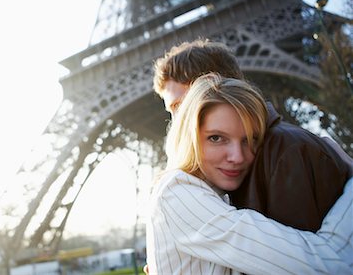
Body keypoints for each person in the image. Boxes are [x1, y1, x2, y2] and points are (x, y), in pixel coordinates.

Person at [146, 74, 353, 274]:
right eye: (216, 138)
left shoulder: (212, 194)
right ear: (189, 137)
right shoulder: (178, 194)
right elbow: (326, 264)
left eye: (249, 140)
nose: (237, 157)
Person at [153, 39, 351, 232]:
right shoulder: (231, 166)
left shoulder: (286, 150)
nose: (176, 122)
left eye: (180, 106)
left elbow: (305, 261)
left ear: (214, 88)